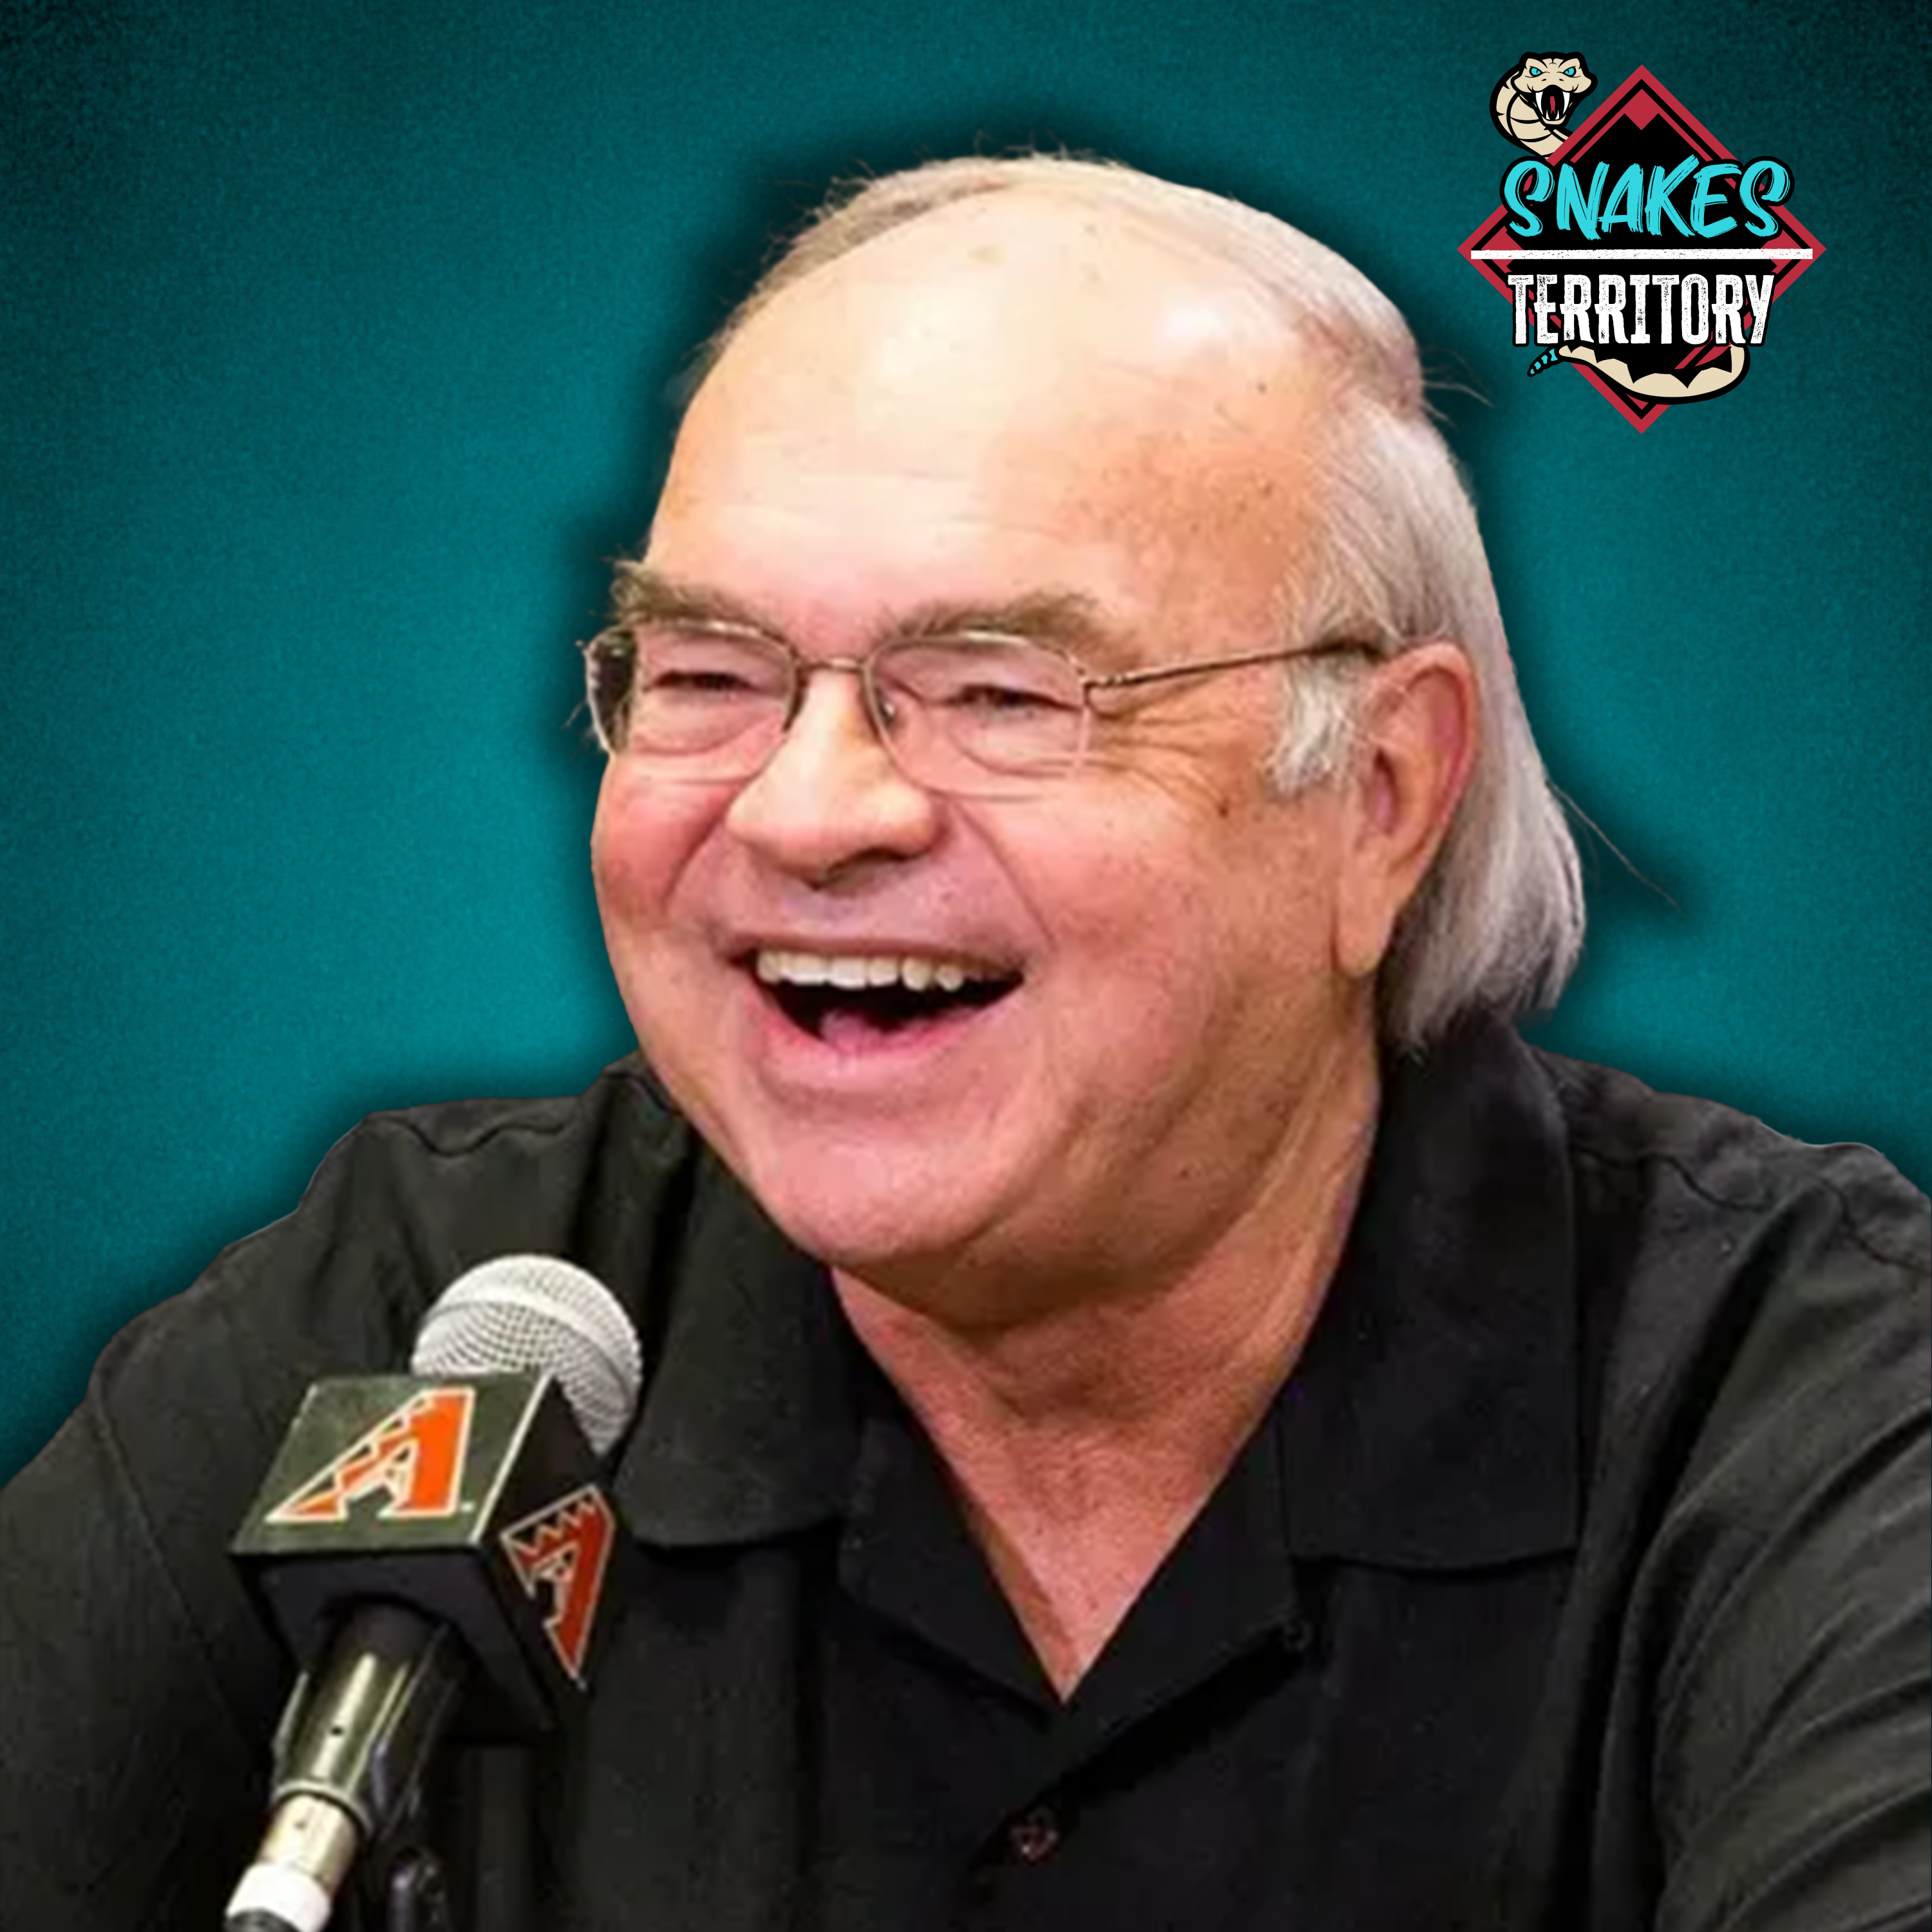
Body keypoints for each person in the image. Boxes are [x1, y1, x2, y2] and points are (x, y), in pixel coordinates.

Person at [2, 155, 1926, 1932]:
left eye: (1002, 693)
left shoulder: (1797, 1402)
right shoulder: (432, 1321)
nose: (807, 809)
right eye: (707, 675)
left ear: (1382, 798)